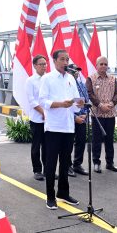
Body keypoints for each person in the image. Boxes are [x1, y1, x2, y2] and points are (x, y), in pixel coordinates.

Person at [39, 49, 83, 210]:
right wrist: (60, 104)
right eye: (62, 59)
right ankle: (50, 196)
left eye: (67, 59)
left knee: (65, 163)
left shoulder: (71, 78)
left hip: (69, 127)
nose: (66, 62)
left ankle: (63, 192)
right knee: (51, 164)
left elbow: (75, 102)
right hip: (54, 127)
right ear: (55, 61)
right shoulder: (47, 79)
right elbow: (43, 101)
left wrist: (79, 105)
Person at [86, 56, 117, 174]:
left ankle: (110, 163)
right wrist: (100, 105)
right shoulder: (91, 78)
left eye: (105, 64)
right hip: (97, 114)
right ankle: (96, 163)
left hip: (110, 113)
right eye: (101, 64)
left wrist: (111, 104)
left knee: (109, 139)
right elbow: (90, 94)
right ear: (96, 65)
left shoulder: (112, 78)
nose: (103, 66)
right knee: (97, 140)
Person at [25, 54, 48, 181]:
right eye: (41, 64)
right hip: (37, 118)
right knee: (36, 145)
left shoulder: (48, 79)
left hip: (49, 119)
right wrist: (43, 112)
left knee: (47, 146)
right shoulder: (30, 81)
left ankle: (47, 169)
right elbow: (32, 101)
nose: (44, 66)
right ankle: (37, 170)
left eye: (45, 64)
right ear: (35, 66)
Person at [68, 64, 89, 177]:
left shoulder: (81, 85)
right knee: (68, 144)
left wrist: (85, 114)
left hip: (82, 118)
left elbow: (86, 101)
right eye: (74, 71)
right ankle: (67, 166)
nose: (76, 72)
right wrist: (75, 117)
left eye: (77, 70)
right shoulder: (67, 85)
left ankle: (77, 164)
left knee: (81, 142)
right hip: (70, 118)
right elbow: (66, 103)